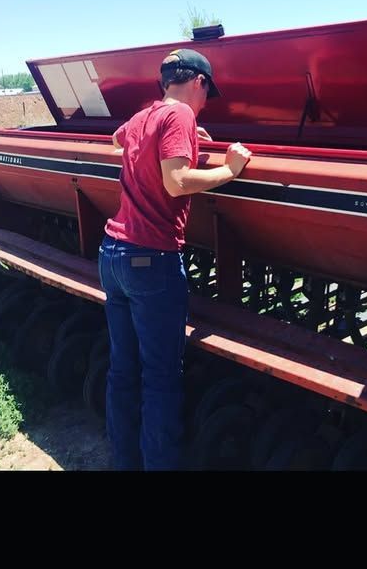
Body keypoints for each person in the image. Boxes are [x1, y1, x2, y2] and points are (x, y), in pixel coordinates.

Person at [98, 48, 252, 470]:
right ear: (198, 82)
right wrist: (230, 169)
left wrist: (180, 141)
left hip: (112, 255)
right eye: (207, 94)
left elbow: (116, 140)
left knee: (123, 369)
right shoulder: (181, 115)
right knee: (161, 378)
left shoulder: (146, 115)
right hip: (151, 259)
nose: (204, 105)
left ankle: (124, 462)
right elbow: (177, 181)